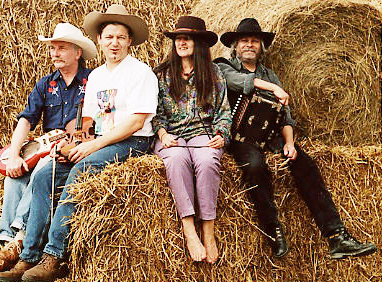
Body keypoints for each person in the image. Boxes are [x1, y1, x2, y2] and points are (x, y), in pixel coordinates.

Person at [0, 4, 158, 282]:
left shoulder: (140, 73)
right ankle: (28, 256)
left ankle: (54, 256)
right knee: (47, 173)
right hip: (101, 141)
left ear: (130, 41)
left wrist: (92, 147)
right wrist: (75, 143)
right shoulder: (96, 77)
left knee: (82, 170)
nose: (114, 43)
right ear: (99, 41)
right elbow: (89, 121)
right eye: (109, 37)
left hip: (132, 141)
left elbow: (136, 122)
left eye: (120, 37)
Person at [216, 18, 377, 259]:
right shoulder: (223, 67)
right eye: (244, 41)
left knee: (306, 165)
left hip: (271, 137)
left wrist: (290, 143)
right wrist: (272, 89)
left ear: (261, 46)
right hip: (241, 139)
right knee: (255, 166)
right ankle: (274, 231)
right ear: (236, 46)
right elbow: (235, 82)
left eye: (254, 41)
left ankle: (337, 236)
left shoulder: (270, 74)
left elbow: (285, 116)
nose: (249, 45)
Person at [0, 23, 96, 277]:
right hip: (46, 146)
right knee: (13, 179)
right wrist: (13, 155)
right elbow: (26, 119)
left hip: (69, 149)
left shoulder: (93, 81)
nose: (55, 53)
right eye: (52, 48)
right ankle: (6, 243)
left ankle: (20, 237)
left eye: (61, 48)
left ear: (78, 53)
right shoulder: (45, 84)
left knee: (43, 170)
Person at [152, 16, 231, 264]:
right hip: (172, 136)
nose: (182, 42)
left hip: (204, 134)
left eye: (188, 37)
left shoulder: (214, 72)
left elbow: (224, 112)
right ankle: (189, 230)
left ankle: (208, 231)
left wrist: (221, 135)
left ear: (199, 43)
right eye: (178, 38)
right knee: (175, 160)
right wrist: (163, 134)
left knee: (208, 162)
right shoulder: (162, 74)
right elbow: (155, 113)